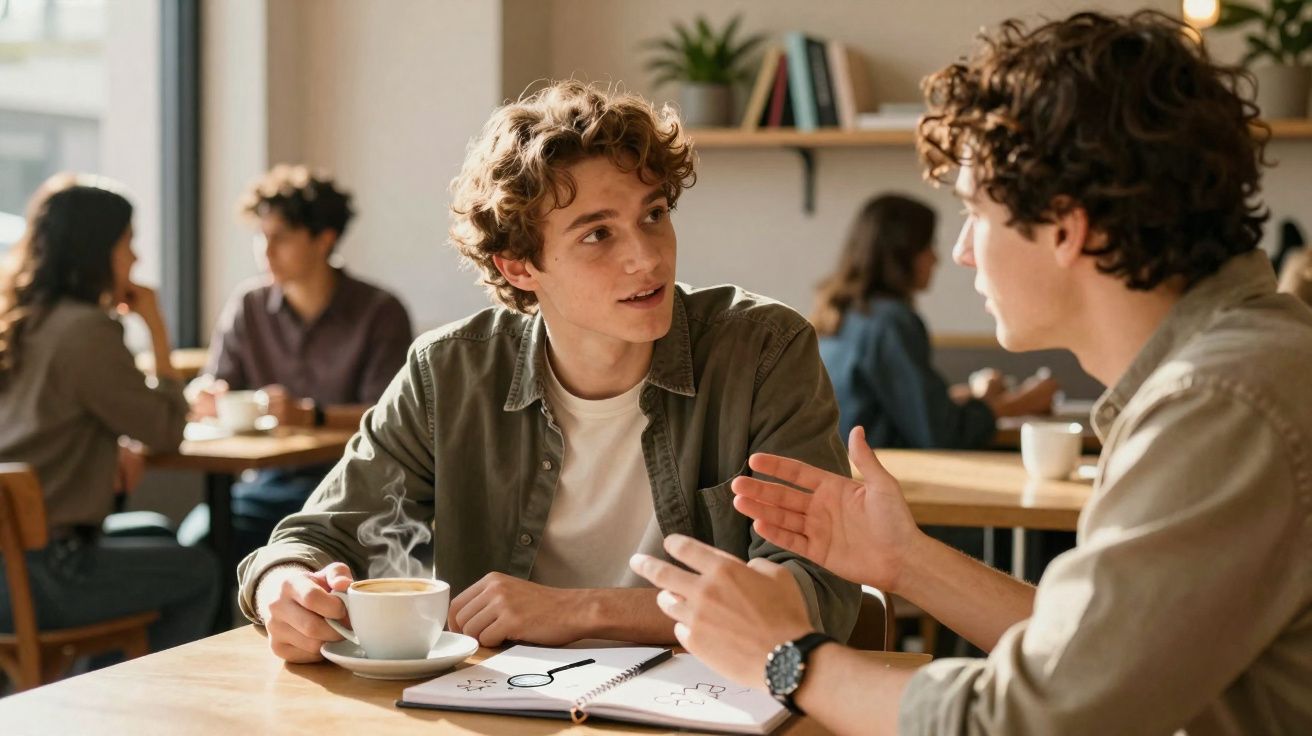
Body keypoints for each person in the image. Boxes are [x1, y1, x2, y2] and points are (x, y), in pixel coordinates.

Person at [632, 11, 1312, 735]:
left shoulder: (1219, 405)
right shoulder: (1241, 367)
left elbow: (1029, 720)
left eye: (974, 211)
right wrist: (905, 562)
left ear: (1064, 224)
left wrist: (785, 658)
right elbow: (1091, 663)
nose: (960, 252)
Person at [239, 81, 860, 664]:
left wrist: (582, 610)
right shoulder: (449, 373)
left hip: (706, 704)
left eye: (653, 214)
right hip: (500, 707)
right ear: (518, 267)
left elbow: (813, 592)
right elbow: (314, 537)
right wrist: (284, 588)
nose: (647, 257)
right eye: (597, 235)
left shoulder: (762, 351)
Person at [0, 174, 220, 655]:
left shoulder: (19, 322)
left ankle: (95, 692)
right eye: (128, 243)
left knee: (156, 530)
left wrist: (107, 446)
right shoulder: (86, 331)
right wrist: (157, 328)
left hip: (12, 563)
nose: (136, 259)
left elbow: (49, 422)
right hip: (48, 572)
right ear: (95, 250)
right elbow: (166, 431)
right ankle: (137, 712)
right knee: (201, 570)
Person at [188, 165, 414, 559]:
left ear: (324, 239)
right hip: (265, 485)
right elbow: (214, 385)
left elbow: (391, 416)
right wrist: (206, 396)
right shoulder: (249, 305)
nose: (266, 250)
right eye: (261, 236)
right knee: (198, 546)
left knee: (313, 559)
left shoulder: (379, 311)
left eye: (281, 237)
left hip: (352, 488)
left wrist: (312, 416)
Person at [814, 193, 1057, 449]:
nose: (936, 258)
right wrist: (1023, 402)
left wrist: (976, 398)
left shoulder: (843, 313)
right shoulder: (890, 323)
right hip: (886, 474)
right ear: (903, 252)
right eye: (928, 245)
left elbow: (898, 406)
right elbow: (941, 434)